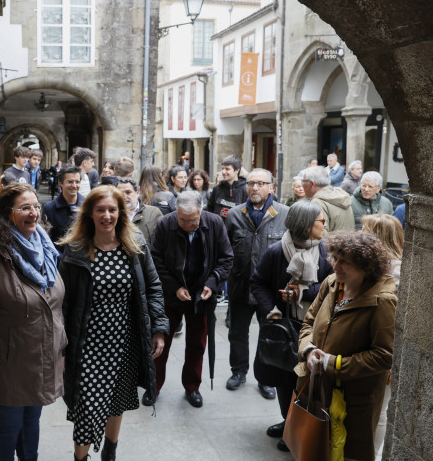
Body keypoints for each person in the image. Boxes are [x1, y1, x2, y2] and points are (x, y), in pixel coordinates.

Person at [59, 185, 168, 461]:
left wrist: (159, 328)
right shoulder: (75, 251)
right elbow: (63, 303)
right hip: (87, 344)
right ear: (90, 214)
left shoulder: (136, 244)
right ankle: (80, 458)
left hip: (125, 341)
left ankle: (110, 451)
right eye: (100, 210)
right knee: (86, 408)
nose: (107, 216)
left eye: (112, 210)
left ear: (121, 212)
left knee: (116, 401)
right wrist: (60, 348)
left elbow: (153, 287)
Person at [0, 184, 66, 461]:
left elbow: (55, 304)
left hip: (43, 355)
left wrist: (62, 348)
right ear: (6, 214)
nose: (34, 213)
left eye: (36, 206)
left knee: (32, 424)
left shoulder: (44, 246)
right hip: (9, 361)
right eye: (24, 208)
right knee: (9, 428)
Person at [297, 231, 396, 461]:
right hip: (316, 388)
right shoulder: (331, 283)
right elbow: (308, 322)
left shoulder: (383, 301)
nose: (335, 266)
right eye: (334, 258)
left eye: (344, 262)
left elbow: (384, 355)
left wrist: (332, 363)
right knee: (314, 447)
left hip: (353, 401)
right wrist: (309, 351)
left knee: (347, 453)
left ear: (365, 267)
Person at [249, 200, 333, 453]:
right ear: (306, 226)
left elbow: (334, 285)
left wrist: (302, 293)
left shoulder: (328, 251)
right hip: (284, 327)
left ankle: (304, 428)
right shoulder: (276, 251)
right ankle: (289, 423)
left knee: (310, 380)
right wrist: (272, 312)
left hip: (317, 328)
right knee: (285, 378)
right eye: (321, 221)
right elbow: (258, 283)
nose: (325, 225)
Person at [149, 192, 233, 408]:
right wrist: (175, 287)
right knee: (160, 342)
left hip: (201, 295)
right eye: (183, 220)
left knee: (197, 344)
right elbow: (155, 260)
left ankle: (192, 387)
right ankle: (153, 385)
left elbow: (226, 258)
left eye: (193, 220)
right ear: (176, 212)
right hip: (171, 294)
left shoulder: (214, 223)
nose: (188, 224)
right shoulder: (165, 224)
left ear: (201, 212)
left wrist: (212, 284)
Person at [224, 169, 289, 400]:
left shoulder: (284, 214)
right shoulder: (234, 214)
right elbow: (226, 250)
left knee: (268, 333)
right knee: (237, 332)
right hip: (240, 285)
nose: (255, 188)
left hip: (269, 290)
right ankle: (238, 372)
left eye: (261, 183)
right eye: (251, 183)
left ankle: (265, 378)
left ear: (271, 187)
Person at [301, 165, 355, 233]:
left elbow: (321, 235)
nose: (302, 184)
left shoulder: (317, 203)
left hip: (332, 243)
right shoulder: (341, 195)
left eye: (303, 181)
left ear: (312, 183)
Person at [42, 165, 84, 253]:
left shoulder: (87, 206)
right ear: (61, 183)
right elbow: (46, 240)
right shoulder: (49, 208)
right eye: (70, 182)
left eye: (77, 182)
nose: (74, 185)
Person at [361, 213, 404, 288]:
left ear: (377, 238)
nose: (359, 234)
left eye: (364, 231)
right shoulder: (367, 260)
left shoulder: (396, 269)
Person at [117, 177, 163, 244]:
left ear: (137, 193)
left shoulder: (153, 213)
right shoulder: (112, 214)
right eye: (120, 193)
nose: (124, 196)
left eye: (128, 192)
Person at [207, 155, 248, 219]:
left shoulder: (246, 190)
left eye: (227, 169)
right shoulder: (217, 188)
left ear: (237, 170)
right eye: (222, 168)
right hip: (218, 227)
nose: (223, 172)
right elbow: (210, 209)